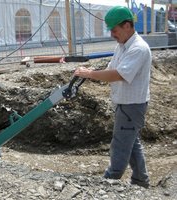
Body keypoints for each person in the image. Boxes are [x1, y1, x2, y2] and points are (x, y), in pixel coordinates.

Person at [74, 6, 151, 188]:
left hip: (131, 105)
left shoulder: (138, 49)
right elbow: (110, 70)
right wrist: (91, 73)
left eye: (114, 30)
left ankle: (109, 182)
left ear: (127, 26)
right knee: (131, 144)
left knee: (120, 146)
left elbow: (118, 75)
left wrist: (90, 73)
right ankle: (141, 180)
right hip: (125, 104)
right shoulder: (122, 46)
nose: (112, 34)